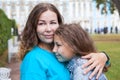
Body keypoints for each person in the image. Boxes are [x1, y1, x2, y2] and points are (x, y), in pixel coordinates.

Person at [18, 3, 110, 80]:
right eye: (41, 23)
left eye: (53, 23)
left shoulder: (65, 49)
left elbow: (81, 60)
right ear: (34, 27)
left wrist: (104, 56)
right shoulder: (33, 60)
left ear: (59, 24)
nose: (48, 29)